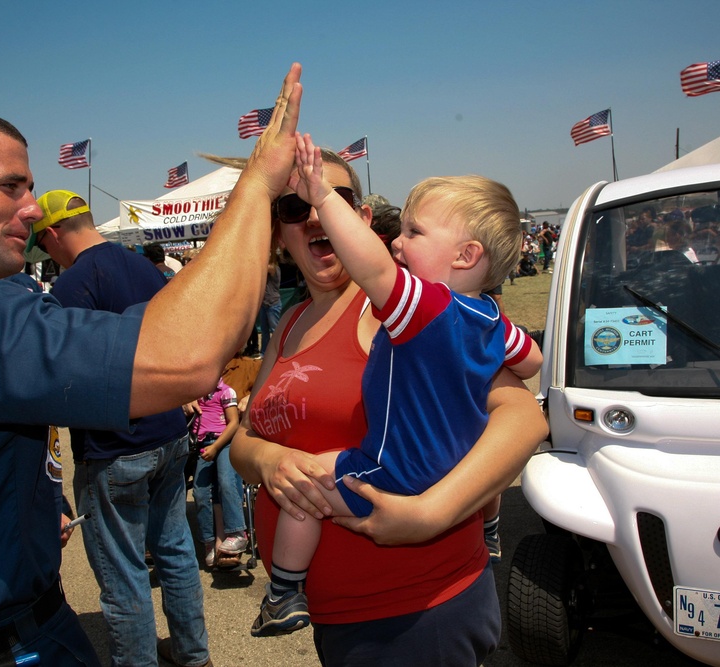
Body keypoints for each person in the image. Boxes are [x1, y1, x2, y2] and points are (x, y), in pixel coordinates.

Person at [0, 63, 304, 667]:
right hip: (3, 644)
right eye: (10, 187)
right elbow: (189, 360)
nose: (33, 209)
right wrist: (254, 189)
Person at [229, 144, 548, 664]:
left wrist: (427, 515)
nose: (312, 212)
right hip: (340, 617)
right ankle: (285, 592)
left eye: (329, 197)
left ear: (358, 217)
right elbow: (245, 440)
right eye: (293, 206)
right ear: (277, 231)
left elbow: (524, 417)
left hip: (413, 611)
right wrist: (270, 461)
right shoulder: (288, 324)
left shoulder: (410, 305)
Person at [32, 189, 211, 667]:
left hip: (114, 445)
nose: (45, 254)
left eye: (42, 243)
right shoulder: (146, 269)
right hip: (169, 433)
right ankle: (194, 655)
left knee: (124, 570)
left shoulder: (71, 288)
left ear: (52, 234)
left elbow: (65, 374)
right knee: (174, 550)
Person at [189, 376, 245, 568]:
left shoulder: (226, 391)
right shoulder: (195, 392)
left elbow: (233, 423)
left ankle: (237, 532)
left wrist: (215, 448)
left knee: (226, 481)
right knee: (200, 492)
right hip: (203, 444)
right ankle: (209, 541)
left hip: (224, 442)